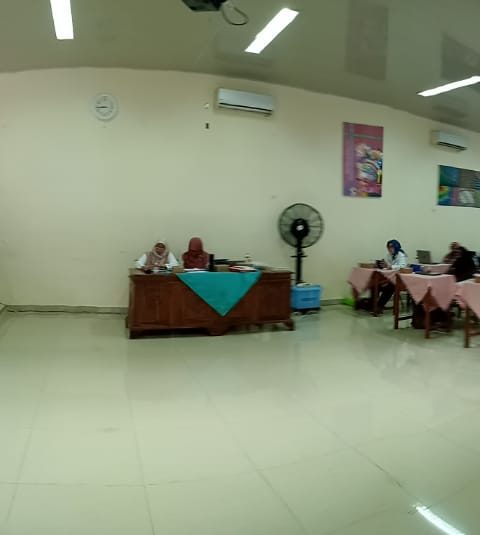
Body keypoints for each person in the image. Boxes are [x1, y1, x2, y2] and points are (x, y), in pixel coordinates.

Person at [378, 239, 408, 312]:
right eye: (388, 247)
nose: (389, 249)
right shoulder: (388, 255)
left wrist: (390, 266)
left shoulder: (401, 255)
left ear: (396, 247)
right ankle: (373, 305)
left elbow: (402, 267)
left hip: (399, 280)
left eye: (391, 247)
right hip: (390, 278)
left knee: (390, 287)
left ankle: (379, 306)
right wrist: (382, 265)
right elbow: (386, 265)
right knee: (375, 285)